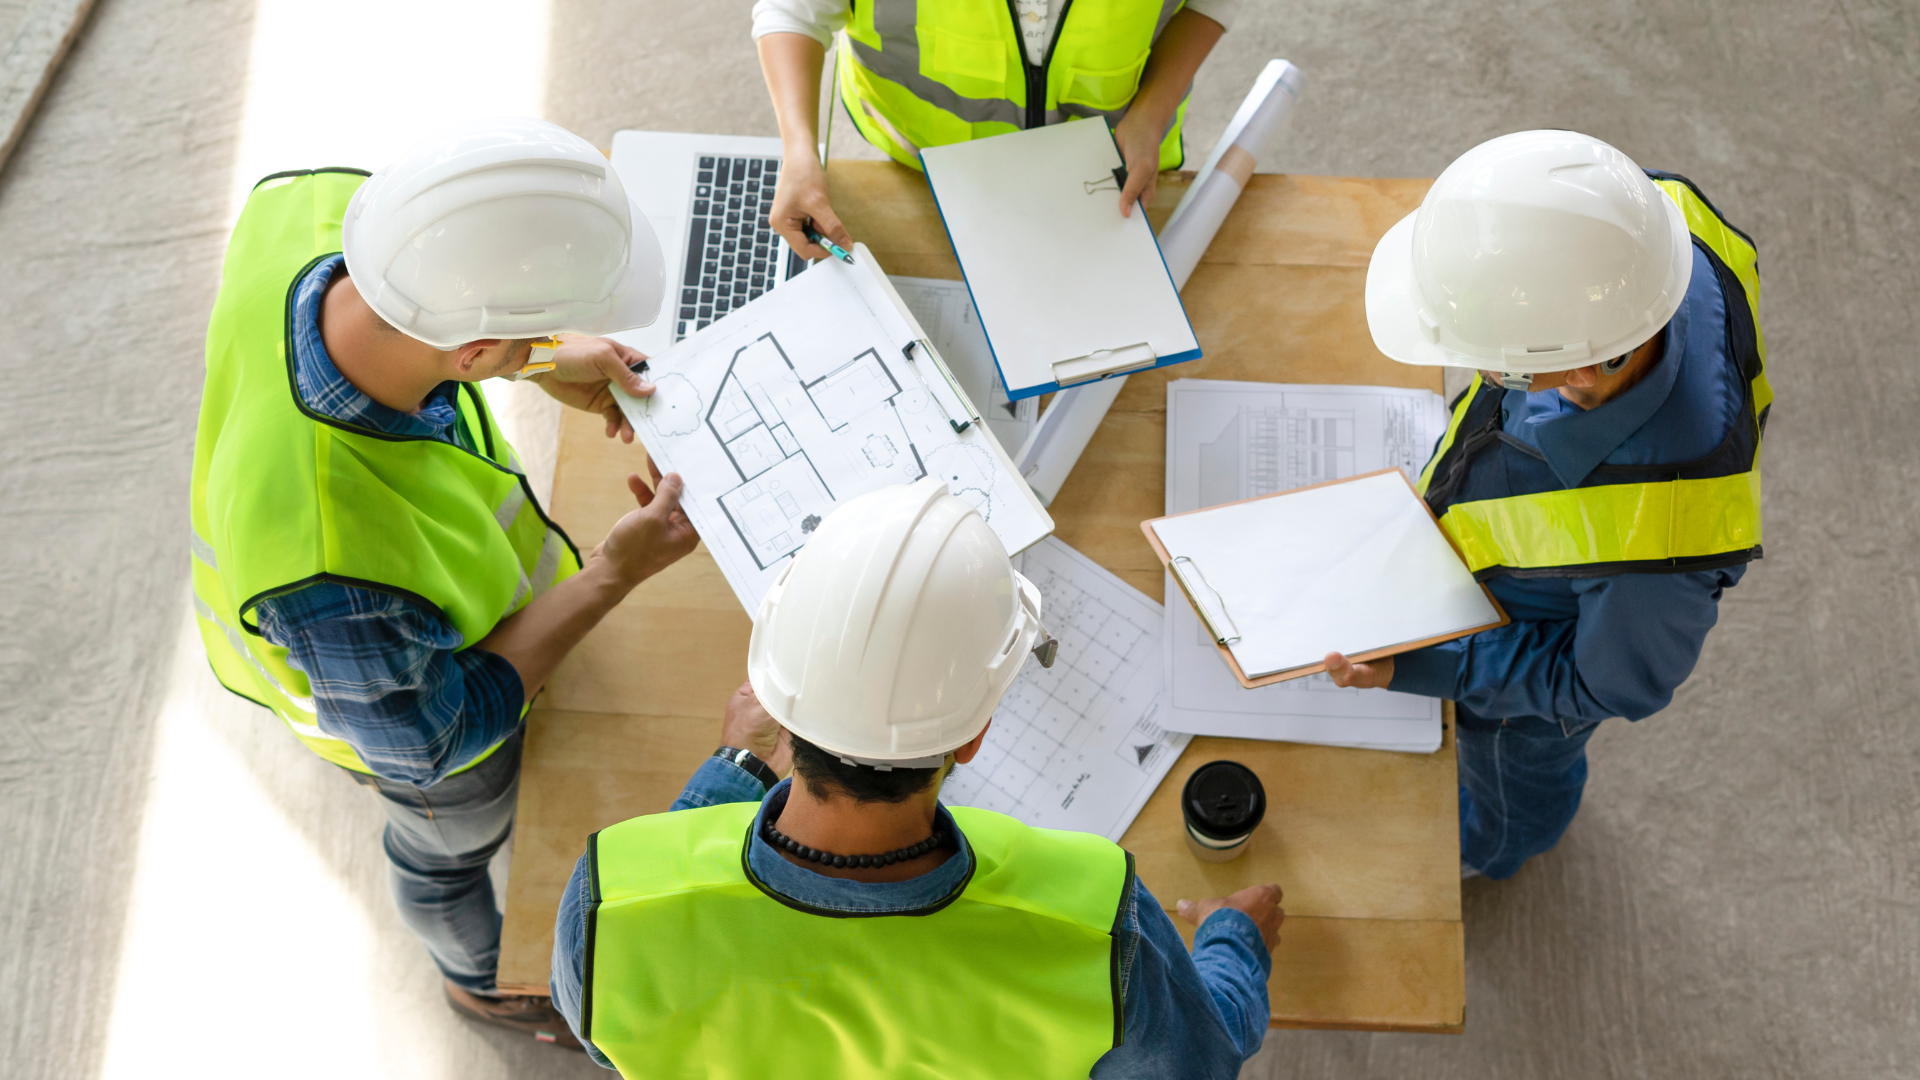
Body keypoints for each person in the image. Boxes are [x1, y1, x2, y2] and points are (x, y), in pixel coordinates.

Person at [188, 118, 702, 1045]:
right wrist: (613, 574)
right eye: (527, 335)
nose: (543, 343)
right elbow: (432, 739)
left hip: (400, 610)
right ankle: (477, 984)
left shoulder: (327, 217)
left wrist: (542, 359)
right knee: (444, 851)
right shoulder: (327, 559)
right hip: (407, 718)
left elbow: (434, 324)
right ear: (469, 353)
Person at [550, 478, 1283, 1077]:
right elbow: (1198, 1061)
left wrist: (734, 768)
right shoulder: (1092, 917)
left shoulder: (610, 901)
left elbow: (617, 1048)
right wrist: (1233, 940)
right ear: (973, 737)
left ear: (773, 692)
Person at [1326, 130, 1769, 881]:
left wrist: (1426, 662)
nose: (1480, 372)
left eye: (1493, 361)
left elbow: (1602, 686)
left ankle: (1496, 850)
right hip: (1508, 544)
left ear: (1581, 366)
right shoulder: (1648, 227)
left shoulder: (1657, 538)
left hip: (1518, 693)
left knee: (1514, 782)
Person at [753, 0, 1239, 261]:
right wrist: (800, 152)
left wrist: (1151, 116)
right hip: (923, 164)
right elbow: (792, 11)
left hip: (1106, 167)